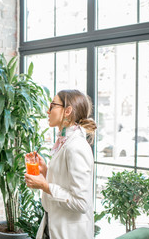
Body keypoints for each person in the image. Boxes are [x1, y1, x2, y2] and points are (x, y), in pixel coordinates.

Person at [25, 89, 97, 239]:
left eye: (52, 106)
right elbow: (63, 184)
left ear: (68, 111)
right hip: (52, 227)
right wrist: (45, 172)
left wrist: (44, 185)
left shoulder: (76, 146)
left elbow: (81, 203)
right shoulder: (64, 143)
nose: (47, 110)